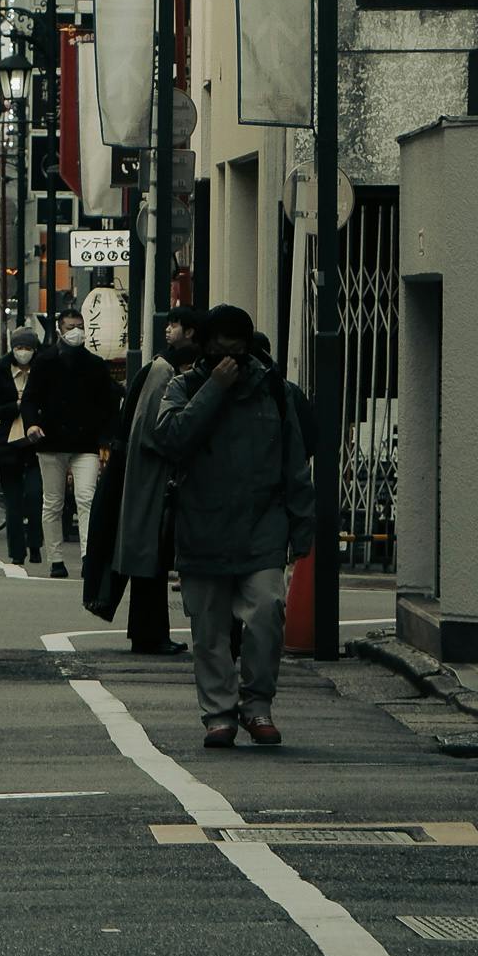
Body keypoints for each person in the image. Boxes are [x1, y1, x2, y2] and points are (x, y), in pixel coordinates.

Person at [153, 305, 317, 748]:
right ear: (205, 346)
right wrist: (214, 390)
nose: (228, 351)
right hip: (201, 523)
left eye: (236, 342)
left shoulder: (274, 392)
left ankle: (257, 705)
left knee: (267, 610)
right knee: (208, 629)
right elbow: (171, 438)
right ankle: (219, 715)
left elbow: (294, 463)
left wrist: (303, 526)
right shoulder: (184, 387)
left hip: (262, 524)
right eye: (219, 342)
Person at [108, 306, 202, 655]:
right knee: (153, 560)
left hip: (149, 480)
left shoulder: (159, 369)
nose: (169, 329)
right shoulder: (165, 373)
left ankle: (147, 633)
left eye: (175, 323)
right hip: (155, 480)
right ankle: (150, 634)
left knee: (152, 560)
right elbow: (156, 431)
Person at [20, 304, 116, 578]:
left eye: (79, 327)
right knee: (53, 502)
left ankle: (88, 556)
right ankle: (56, 559)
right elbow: (30, 399)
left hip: (85, 441)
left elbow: (107, 403)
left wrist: (105, 437)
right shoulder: (44, 361)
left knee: (87, 498)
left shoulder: (95, 364)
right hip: (51, 440)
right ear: (60, 330)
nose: (76, 332)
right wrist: (32, 425)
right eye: (70, 327)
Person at [0, 324, 46, 567]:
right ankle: (17, 552)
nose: (23, 352)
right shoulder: (2, 371)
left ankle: (36, 544)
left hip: (36, 443)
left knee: (35, 496)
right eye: (19, 347)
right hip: (9, 444)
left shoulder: (42, 371)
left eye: (28, 347)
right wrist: (14, 406)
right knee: (14, 504)